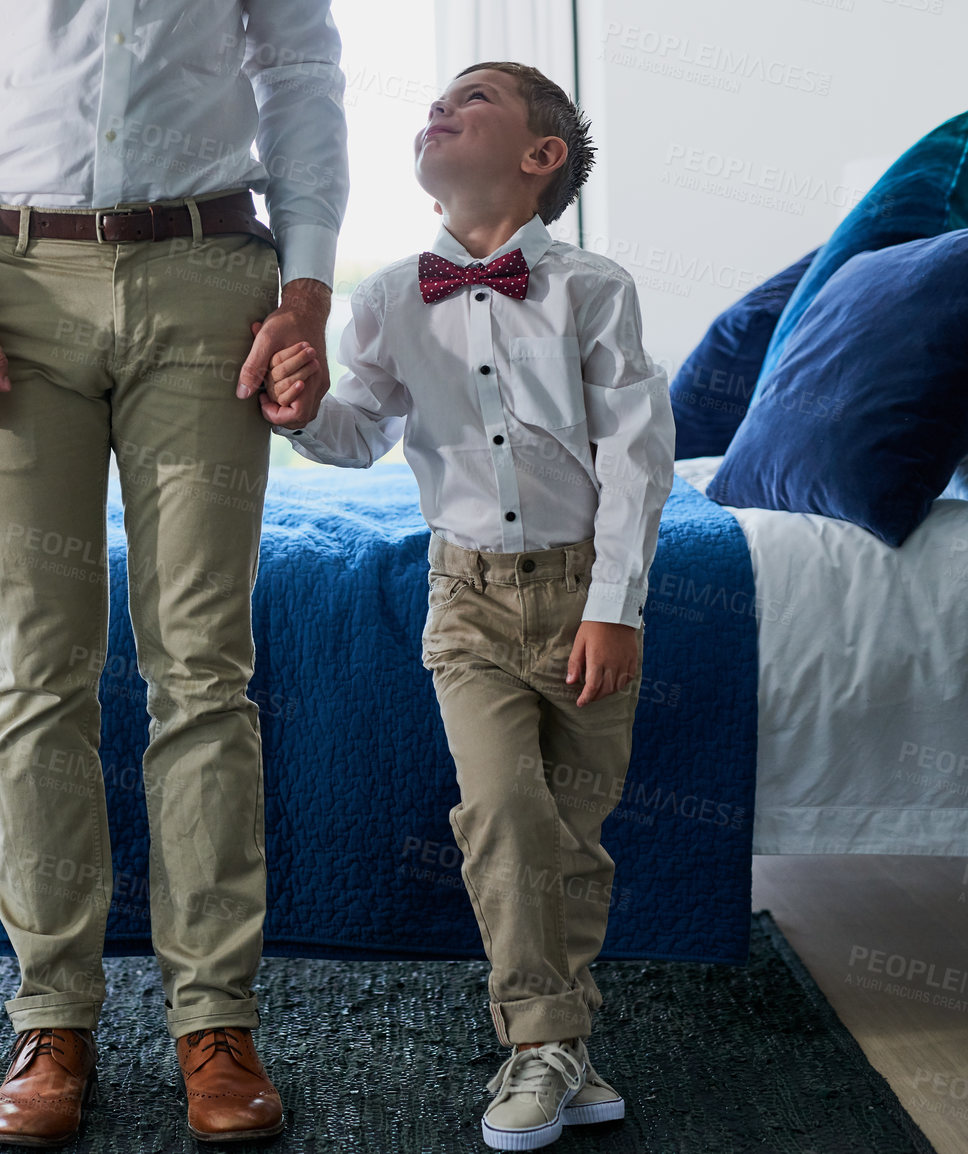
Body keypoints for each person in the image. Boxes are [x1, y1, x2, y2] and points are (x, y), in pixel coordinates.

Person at [0, 2, 348, 1145]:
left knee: (205, 667)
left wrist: (306, 285)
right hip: (2, 282)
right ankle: (51, 1019)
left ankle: (214, 1022)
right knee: (35, 665)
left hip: (210, 275)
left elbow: (302, 67)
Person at [265, 62, 674, 1151]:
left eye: (475, 98)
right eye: (437, 100)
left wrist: (615, 605)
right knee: (500, 811)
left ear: (540, 159)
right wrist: (302, 411)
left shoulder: (595, 286)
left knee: (573, 836)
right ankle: (537, 1037)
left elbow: (636, 456)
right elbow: (357, 429)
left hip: (582, 588)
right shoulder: (393, 296)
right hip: (468, 601)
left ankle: (559, 1046)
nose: (440, 107)